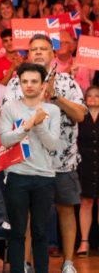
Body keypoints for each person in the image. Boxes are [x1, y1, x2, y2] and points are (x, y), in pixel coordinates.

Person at [1, 34, 86, 273]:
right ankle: (26, 263)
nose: (38, 52)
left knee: (66, 209)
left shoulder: (67, 82)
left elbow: (81, 115)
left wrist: (56, 99)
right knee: (26, 218)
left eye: (43, 49)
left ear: (53, 54)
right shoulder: (17, 83)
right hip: (25, 162)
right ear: (28, 55)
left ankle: (68, 263)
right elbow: (5, 118)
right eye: (34, 49)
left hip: (62, 159)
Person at [0, 63, 61, 273]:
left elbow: (52, 144)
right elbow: (5, 140)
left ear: (42, 84)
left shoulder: (52, 110)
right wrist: (27, 126)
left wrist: (40, 124)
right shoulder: (10, 108)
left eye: (34, 81)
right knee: (17, 232)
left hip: (44, 177)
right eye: (25, 81)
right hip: (17, 176)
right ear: (19, 83)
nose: (29, 85)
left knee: (40, 231)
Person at [78, 86, 99, 258]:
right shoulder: (80, 116)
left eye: (97, 96)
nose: (93, 98)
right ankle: (84, 241)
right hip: (84, 165)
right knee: (86, 202)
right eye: (89, 95)